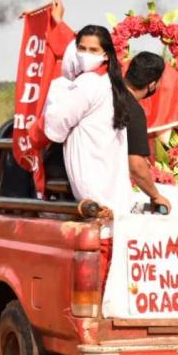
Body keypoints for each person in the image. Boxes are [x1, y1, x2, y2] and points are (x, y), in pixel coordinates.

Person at [43, 22, 133, 217]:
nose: (85, 54)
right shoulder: (111, 82)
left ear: (105, 54)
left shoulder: (88, 83)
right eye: (81, 48)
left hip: (93, 193)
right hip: (111, 189)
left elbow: (56, 125)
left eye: (93, 50)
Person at [124, 52, 171, 214]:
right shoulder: (132, 109)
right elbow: (136, 165)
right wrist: (155, 195)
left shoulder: (108, 94)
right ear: (152, 84)